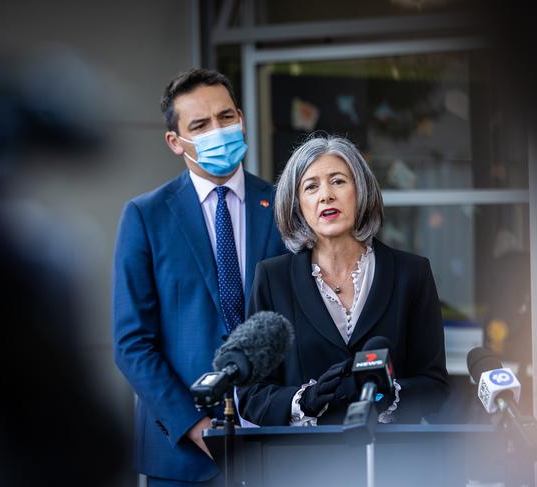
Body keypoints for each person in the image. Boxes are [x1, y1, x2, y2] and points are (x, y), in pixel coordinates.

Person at [112, 68, 285, 486]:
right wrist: (195, 425)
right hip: (184, 456)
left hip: (279, 444)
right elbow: (131, 343)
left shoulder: (285, 205)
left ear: (242, 119)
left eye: (226, 117)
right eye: (201, 125)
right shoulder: (146, 216)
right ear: (175, 141)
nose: (218, 130)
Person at [237, 135, 449, 426]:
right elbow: (252, 395)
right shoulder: (272, 279)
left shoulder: (412, 272)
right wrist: (304, 400)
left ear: (360, 191)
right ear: (297, 205)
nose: (326, 195)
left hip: (395, 463)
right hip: (305, 465)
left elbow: (434, 385)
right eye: (311, 186)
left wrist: (388, 395)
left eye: (338, 181)